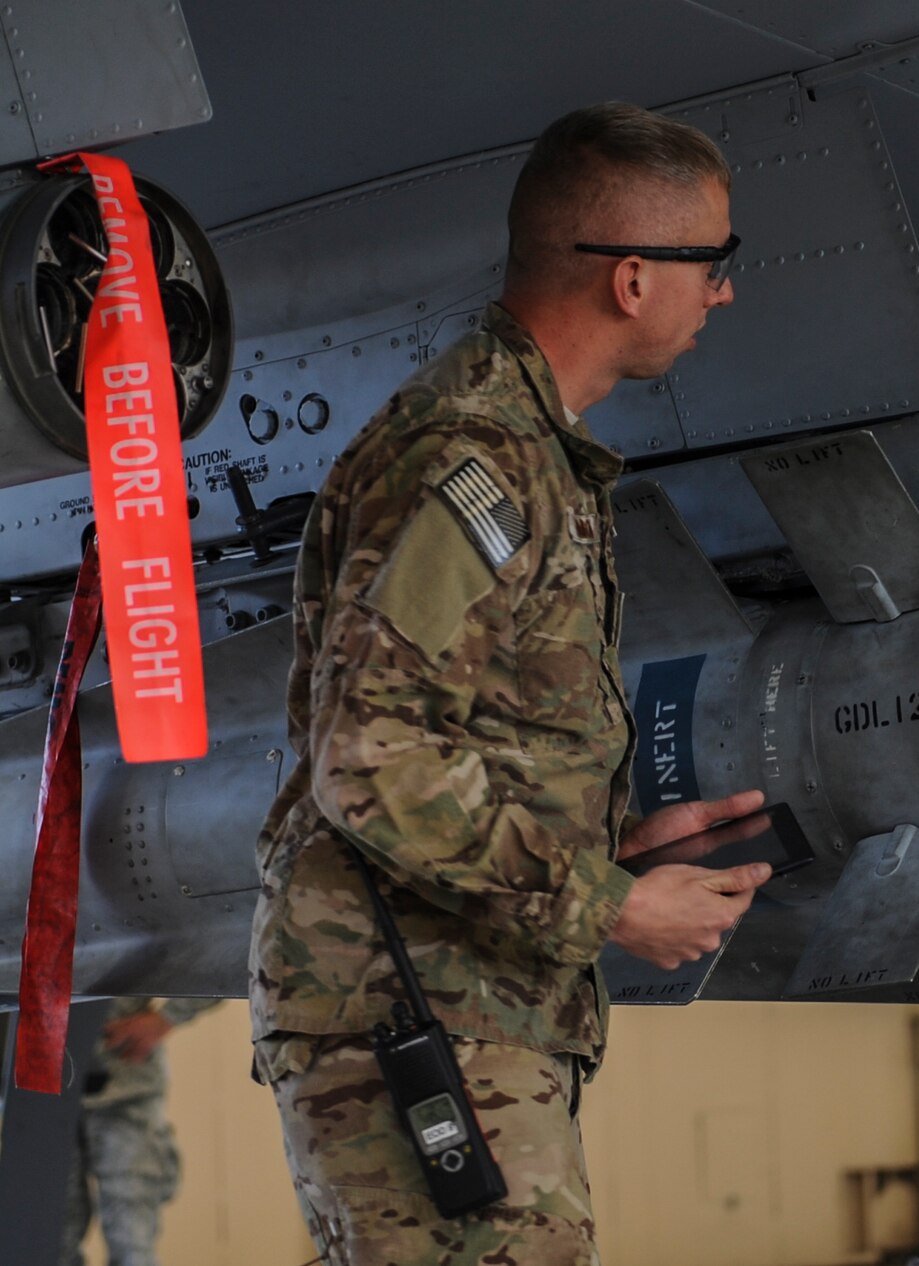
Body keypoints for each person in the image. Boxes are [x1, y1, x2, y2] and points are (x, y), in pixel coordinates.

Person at [249, 102, 772, 1265]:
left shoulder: (527, 455)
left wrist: (610, 850)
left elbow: (456, 739)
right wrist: (606, 906)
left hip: (461, 1004)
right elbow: (369, 759)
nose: (723, 292)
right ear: (631, 279)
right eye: (712, 262)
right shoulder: (472, 458)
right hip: (414, 1008)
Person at [61, 997, 221, 1266]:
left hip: (126, 1086)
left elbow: (222, 971)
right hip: (34, 1097)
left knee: (133, 1242)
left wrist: (165, 1019)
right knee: (46, 1241)